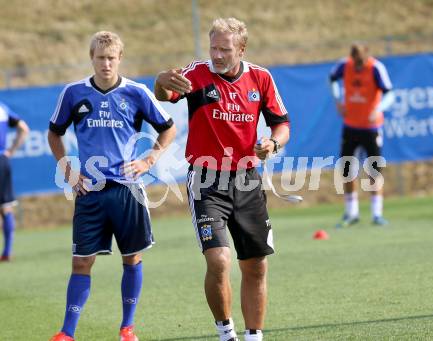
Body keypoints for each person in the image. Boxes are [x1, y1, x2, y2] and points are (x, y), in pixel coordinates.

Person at [154, 17, 290, 341]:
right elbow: (164, 94)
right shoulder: (197, 74)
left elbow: (282, 125)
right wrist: (161, 80)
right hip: (206, 180)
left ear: (241, 49)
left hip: (246, 180)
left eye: (224, 49)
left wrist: (272, 143)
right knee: (219, 259)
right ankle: (225, 332)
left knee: (256, 266)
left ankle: (254, 336)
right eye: (213, 47)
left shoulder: (261, 78)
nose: (216, 55)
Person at [47, 31, 176, 341]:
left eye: (111, 58)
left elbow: (168, 128)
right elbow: (54, 133)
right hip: (89, 191)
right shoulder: (74, 93)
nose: (105, 64)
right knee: (81, 261)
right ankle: (67, 333)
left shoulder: (137, 92)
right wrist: (66, 166)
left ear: (120, 58)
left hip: (127, 189)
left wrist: (149, 159)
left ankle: (127, 328)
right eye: (100, 58)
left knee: (131, 257)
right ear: (91, 58)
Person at [330, 43, 395, 227]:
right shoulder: (344, 65)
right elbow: (332, 78)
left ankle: (377, 214)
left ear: (366, 57)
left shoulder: (376, 68)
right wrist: (337, 100)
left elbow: (389, 93)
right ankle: (351, 213)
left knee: (374, 170)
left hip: (371, 128)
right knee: (347, 170)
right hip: (350, 126)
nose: (357, 65)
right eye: (355, 61)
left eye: (360, 61)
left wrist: (379, 108)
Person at [0, 101, 29, 261]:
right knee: (5, 207)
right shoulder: (2, 108)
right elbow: (24, 128)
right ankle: (7, 251)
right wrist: (10, 151)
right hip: (2, 160)